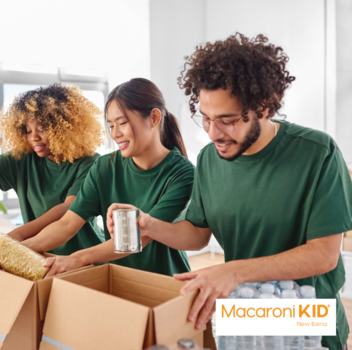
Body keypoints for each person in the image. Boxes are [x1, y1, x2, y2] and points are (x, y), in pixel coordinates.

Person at [107, 34, 350, 350]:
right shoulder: (210, 160)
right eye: (205, 119)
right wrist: (150, 225)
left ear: (263, 107)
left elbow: (324, 254)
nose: (212, 133)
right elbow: (197, 233)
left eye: (227, 120)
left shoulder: (317, 153)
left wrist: (233, 271)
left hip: (307, 319)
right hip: (245, 312)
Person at [20, 78, 195, 277]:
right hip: (118, 280)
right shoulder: (105, 167)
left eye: (122, 123)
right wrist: (18, 247)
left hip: (165, 281)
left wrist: (78, 258)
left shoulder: (182, 173)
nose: (116, 134)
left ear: (154, 118)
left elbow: (139, 236)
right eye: (111, 125)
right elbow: (67, 224)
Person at [0, 84, 105, 256]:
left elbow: (67, 209)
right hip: (39, 255)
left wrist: (13, 238)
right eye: (27, 130)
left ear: (65, 128)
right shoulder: (24, 157)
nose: (34, 137)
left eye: (42, 129)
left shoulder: (90, 163)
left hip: (84, 256)